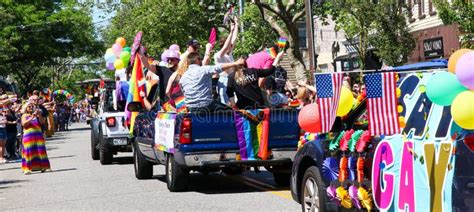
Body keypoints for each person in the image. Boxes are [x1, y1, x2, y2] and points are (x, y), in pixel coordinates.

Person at [179, 52, 245, 112]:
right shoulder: (203, 70)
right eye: (200, 59)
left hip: (191, 108)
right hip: (206, 106)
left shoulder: (183, 77)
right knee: (231, 111)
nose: (201, 61)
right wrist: (235, 63)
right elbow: (218, 67)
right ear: (196, 60)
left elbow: (184, 92)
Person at [214, 16, 239, 104]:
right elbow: (225, 46)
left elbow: (234, 39)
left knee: (234, 103)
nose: (232, 46)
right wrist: (231, 31)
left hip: (232, 80)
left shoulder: (229, 53)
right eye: (230, 45)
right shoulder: (218, 56)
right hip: (224, 81)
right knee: (226, 104)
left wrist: (236, 25)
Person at [21, 103, 51, 174]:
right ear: (26, 108)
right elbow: (24, 124)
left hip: (38, 135)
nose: (31, 107)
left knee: (41, 151)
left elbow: (42, 122)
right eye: (29, 106)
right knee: (29, 151)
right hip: (28, 136)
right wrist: (31, 117)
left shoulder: (37, 115)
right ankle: (27, 169)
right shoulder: (24, 115)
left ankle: (45, 167)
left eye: (32, 106)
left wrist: (39, 114)